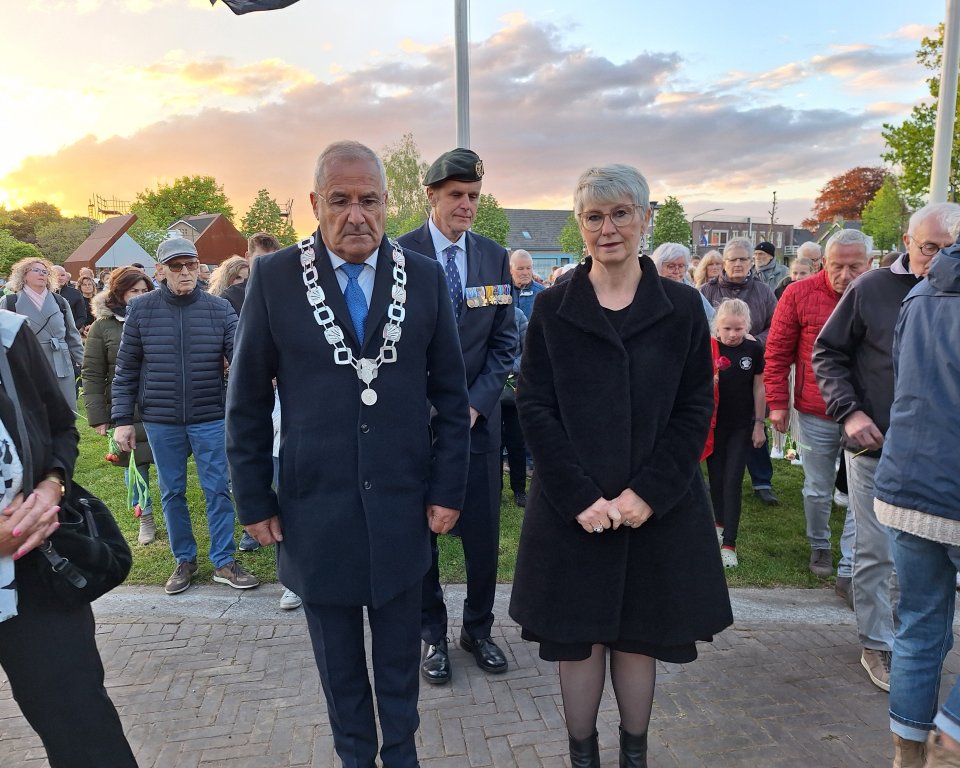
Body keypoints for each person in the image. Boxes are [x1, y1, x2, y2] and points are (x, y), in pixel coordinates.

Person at [226, 140, 470, 768]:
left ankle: (402, 756)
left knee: (397, 661)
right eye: (341, 201)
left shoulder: (422, 277)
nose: (356, 215)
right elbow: (247, 400)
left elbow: (450, 392)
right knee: (339, 667)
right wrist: (254, 498)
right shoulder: (276, 278)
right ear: (315, 203)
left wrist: (448, 489)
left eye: (369, 200)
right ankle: (355, 758)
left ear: (388, 203)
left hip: (402, 507)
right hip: (316, 509)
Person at [509, 164, 732, 768]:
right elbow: (535, 404)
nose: (608, 228)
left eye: (620, 213)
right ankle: (583, 757)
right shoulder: (553, 309)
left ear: (644, 217)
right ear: (579, 224)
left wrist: (651, 493)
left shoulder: (683, 307)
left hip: (653, 514)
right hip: (572, 513)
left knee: (639, 636)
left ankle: (634, 757)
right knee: (580, 640)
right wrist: (579, 495)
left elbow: (695, 406)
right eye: (593, 216)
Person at [814, 202, 960, 701]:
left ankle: (917, 645)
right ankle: (877, 642)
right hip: (877, 450)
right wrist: (850, 412)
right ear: (906, 240)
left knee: (925, 564)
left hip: (942, 460)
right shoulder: (872, 289)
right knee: (874, 550)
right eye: (929, 248)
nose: (940, 259)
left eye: (950, 248)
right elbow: (827, 352)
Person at [397, 148, 517, 686]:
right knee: (420, 535)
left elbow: (504, 342)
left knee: (482, 537)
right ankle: (431, 635)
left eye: (473, 196)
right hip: (416, 428)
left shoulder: (493, 257)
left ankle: (479, 628)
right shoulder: (397, 254)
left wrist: (473, 404)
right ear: (432, 196)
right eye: (456, 196)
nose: (467, 206)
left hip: (477, 425)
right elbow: (387, 342)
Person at [0, 309, 139, 767]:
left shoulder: (8, 335)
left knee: (85, 735)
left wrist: (51, 484)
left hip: (35, 572)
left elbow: (61, 427)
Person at [112, 238, 258, 595]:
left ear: (199, 267)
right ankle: (184, 559)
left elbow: (240, 358)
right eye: (176, 266)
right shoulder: (142, 310)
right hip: (161, 419)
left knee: (218, 489)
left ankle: (223, 560)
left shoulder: (218, 308)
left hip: (210, 414)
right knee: (172, 491)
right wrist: (121, 420)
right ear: (160, 270)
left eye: (191, 264)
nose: (185, 272)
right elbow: (126, 369)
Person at [873, 232, 960, 767]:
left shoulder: (922, 290)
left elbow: (905, 375)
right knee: (921, 624)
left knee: (920, 626)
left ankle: (909, 755)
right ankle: (948, 740)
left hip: (911, 481)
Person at [765, 229, 870, 591]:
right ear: (823, 262)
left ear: (869, 264)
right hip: (814, 410)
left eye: (854, 267)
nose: (845, 275)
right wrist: (777, 403)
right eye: (837, 266)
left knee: (863, 492)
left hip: (868, 415)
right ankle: (820, 544)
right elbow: (777, 352)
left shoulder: (879, 295)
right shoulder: (798, 293)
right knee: (817, 487)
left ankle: (852, 561)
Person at [700, 237, 779, 506]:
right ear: (724, 261)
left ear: (751, 262)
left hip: (751, 365)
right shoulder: (707, 290)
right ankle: (715, 477)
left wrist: (757, 340)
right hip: (717, 372)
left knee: (755, 423)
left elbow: (776, 325)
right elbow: (700, 327)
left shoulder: (763, 292)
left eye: (743, 259)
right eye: (732, 259)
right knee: (717, 426)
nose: (737, 264)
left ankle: (762, 480)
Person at [82, 267, 157, 546]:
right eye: (132, 291)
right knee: (134, 467)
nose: (138, 296)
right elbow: (92, 373)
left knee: (169, 465)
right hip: (123, 406)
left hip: (159, 403)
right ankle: (145, 518)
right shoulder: (103, 326)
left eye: (143, 291)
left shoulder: (159, 318)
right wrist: (99, 417)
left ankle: (175, 517)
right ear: (119, 293)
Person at [707, 299, 766, 568]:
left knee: (732, 481)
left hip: (740, 427)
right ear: (717, 327)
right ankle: (719, 524)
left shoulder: (753, 349)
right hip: (713, 426)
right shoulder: (708, 348)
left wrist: (758, 424)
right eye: (727, 328)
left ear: (747, 328)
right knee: (716, 480)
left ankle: (730, 542)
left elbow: (758, 388)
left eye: (738, 329)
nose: (733, 335)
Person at [3, 257, 84, 411]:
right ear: (23, 275)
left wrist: (85, 364)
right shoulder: (10, 302)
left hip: (60, 364)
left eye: (45, 271)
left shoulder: (60, 301)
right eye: (36, 270)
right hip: (26, 363)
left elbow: (72, 336)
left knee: (63, 416)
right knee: (33, 416)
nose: (42, 274)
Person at [500, 306, 529, 507]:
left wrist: (509, 368)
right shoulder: (487, 314)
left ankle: (519, 490)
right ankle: (495, 490)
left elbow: (528, 350)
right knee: (493, 444)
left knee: (516, 443)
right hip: (491, 393)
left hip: (514, 391)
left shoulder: (518, 316)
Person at [652, 242, 715, 320]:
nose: (677, 271)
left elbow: (711, 318)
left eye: (681, 266)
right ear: (658, 266)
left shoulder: (691, 292)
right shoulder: (651, 290)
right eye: (671, 266)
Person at [222, 232, 281, 316]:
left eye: (270, 259)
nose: (265, 264)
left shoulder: (287, 293)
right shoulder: (230, 297)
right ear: (247, 257)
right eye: (260, 259)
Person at [509, 249, 545, 320]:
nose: (525, 273)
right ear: (510, 269)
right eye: (520, 269)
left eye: (528, 268)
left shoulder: (542, 293)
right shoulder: (501, 291)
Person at [54, 265, 88, 330]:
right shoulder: (43, 293)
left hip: (70, 333)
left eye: (62, 275)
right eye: (56, 275)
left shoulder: (75, 293)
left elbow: (82, 316)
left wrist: (71, 329)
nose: (60, 278)